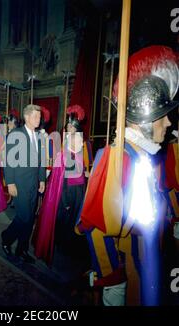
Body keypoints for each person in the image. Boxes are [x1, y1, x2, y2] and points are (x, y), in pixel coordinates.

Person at [76, 45, 179, 306]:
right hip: (131, 268)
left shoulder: (146, 156)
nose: (169, 123)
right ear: (146, 118)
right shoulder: (118, 157)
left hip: (149, 263)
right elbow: (96, 227)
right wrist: (113, 279)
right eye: (163, 116)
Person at [34, 105, 89, 266]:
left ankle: (68, 246)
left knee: (73, 220)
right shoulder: (66, 150)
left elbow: (79, 168)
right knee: (63, 219)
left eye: (73, 127)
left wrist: (84, 172)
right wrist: (65, 200)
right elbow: (63, 175)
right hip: (67, 191)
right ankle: (61, 245)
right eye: (68, 126)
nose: (70, 128)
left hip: (77, 189)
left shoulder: (79, 145)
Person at [2, 104, 46, 263]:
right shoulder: (16, 134)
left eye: (39, 117)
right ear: (27, 117)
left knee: (29, 217)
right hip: (19, 182)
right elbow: (8, 160)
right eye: (35, 116)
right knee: (24, 216)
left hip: (34, 183)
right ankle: (7, 238)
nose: (38, 119)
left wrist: (42, 179)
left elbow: (42, 160)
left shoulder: (40, 136)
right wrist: (11, 182)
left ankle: (22, 249)